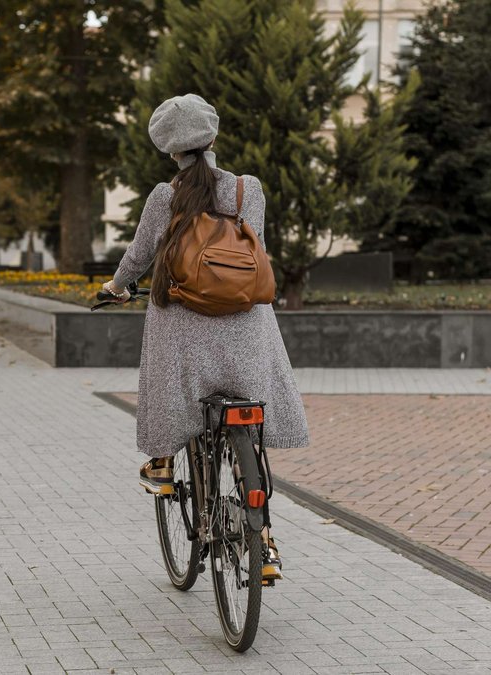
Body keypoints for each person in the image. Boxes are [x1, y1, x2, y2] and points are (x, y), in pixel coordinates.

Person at [100, 94, 309, 583]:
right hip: (245, 326)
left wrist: (115, 287)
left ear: (169, 150)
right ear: (213, 138)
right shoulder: (247, 190)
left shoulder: (163, 197)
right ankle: (264, 539)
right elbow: (250, 249)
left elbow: (139, 256)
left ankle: (161, 462)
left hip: (184, 329)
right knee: (248, 427)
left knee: (166, 388)